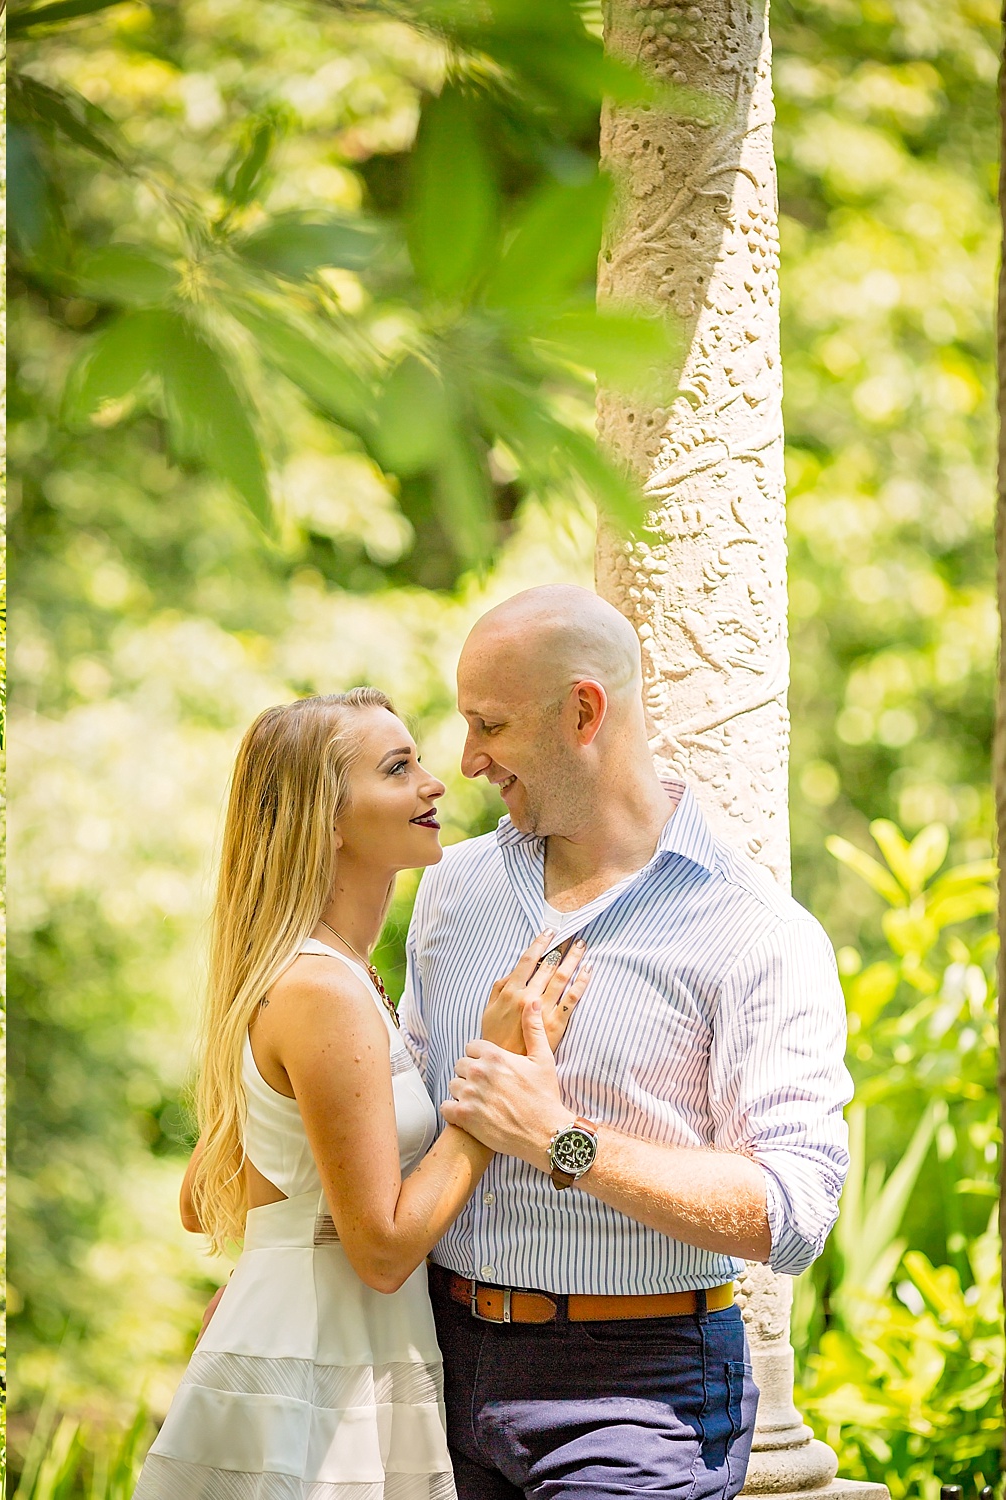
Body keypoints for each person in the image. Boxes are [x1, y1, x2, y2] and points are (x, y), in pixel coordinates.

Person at [405, 585, 852, 1498]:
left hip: (637, 1401)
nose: (468, 758)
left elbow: (796, 1210)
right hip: (431, 1367)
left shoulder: (754, 930)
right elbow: (409, 1123)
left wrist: (563, 1142)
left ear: (582, 711)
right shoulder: (450, 892)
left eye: (490, 724)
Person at [136, 688, 589, 1500]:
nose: (435, 782)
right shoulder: (324, 991)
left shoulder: (330, 976)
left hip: (321, 1345)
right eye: (398, 768)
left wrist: (276, 1249)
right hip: (322, 1369)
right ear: (329, 819)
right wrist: (495, 1080)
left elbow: (201, 1199)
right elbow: (381, 1251)